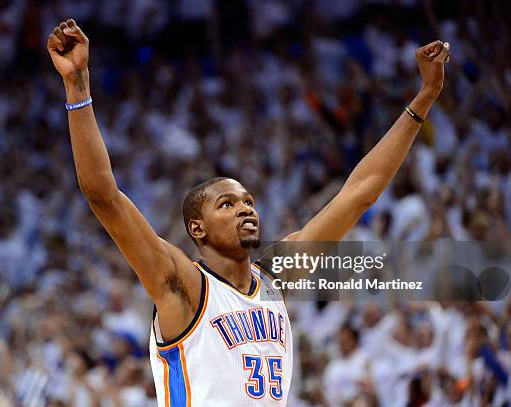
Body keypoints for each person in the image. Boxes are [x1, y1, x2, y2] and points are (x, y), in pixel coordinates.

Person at [46, 18, 450, 406]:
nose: (245, 209)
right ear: (197, 229)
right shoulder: (183, 285)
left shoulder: (275, 276)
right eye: (227, 204)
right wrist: (77, 85)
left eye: (248, 202)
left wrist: (424, 97)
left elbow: (359, 193)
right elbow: (103, 194)